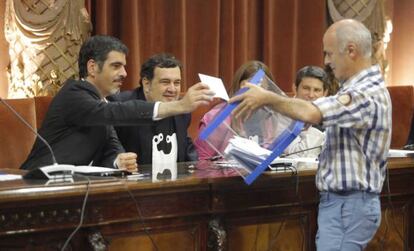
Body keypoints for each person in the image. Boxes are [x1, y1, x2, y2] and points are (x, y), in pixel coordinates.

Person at [230, 19, 392, 250]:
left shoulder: (365, 94)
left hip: (349, 205)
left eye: (329, 53)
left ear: (351, 51)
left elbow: (312, 112)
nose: (326, 61)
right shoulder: (358, 89)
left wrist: (266, 98)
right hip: (342, 205)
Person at [20, 35, 214, 171]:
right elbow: (116, 112)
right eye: (116, 66)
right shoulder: (74, 94)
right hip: (36, 186)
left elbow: (111, 146)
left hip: (75, 190)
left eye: (124, 66)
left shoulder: (101, 102)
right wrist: (179, 105)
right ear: (93, 67)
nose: (124, 74)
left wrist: (118, 160)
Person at [109, 53, 197, 165]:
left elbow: (187, 153)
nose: (172, 89)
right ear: (146, 84)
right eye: (165, 82)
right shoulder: (120, 105)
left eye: (177, 83)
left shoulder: (182, 111)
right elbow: (109, 150)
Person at [194, 61, 274, 160]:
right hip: (223, 174)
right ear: (240, 86)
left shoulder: (267, 117)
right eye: (252, 86)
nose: (256, 93)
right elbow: (201, 159)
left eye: (262, 89)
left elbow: (268, 151)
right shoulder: (217, 117)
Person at [284, 66, 329, 158]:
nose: (311, 95)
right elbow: (297, 155)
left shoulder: (330, 116)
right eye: (306, 88)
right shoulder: (283, 113)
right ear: (295, 88)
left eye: (317, 90)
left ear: (325, 93)